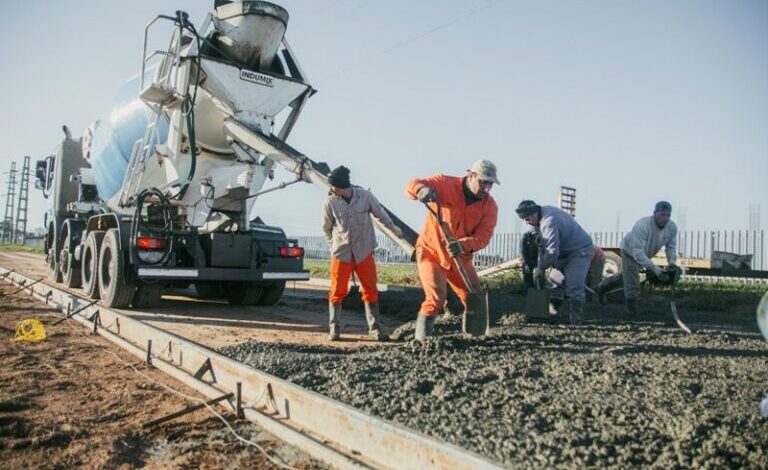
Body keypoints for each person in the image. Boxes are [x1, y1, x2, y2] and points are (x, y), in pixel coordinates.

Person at [405, 160, 499, 340]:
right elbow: (410, 185)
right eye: (483, 182)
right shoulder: (444, 184)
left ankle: (476, 338)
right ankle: (421, 343)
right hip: (431, 252)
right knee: (435, 299)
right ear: (471, 176)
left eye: (490, 184)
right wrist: (420, 190)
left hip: (460, 256)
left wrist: (462, 244)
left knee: (475, 298)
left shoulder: (489, 207)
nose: (486, 188)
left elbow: (484, 237)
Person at [322, 166, 403, 341]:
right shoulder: (331, 203)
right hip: (341, 254)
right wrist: (333, 247)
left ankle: (375, 330)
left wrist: (394, 229)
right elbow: (327, 229)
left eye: (333, 186)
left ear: (341, 185)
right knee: (337, 290)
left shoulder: (365, 197)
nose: (330, 189)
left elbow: (381, 214)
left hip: (364, 251)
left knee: (370, 289)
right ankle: (334, 330)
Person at [515, 200, 593, 325]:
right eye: (524, 219)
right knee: (553, 285)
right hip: (563, 252)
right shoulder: (542, 213)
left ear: (535, 213)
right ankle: (552, 314)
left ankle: (576, 322)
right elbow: (540, 233)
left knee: (574, 286)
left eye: (528, 218)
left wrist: (541, 268)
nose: (526, 222)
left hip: (579, 251)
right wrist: (540, 234)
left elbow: (552, 253)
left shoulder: (549, 221)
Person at [598, 201, 678, 315]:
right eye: (662, 215)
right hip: (630, 251)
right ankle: (631, 310)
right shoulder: (642, 226)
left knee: (624, 276)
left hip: (645, 254)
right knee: (632, 280)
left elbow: (671, 247)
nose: (665, 218)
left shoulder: (672, 228)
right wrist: (653, 268)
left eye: (668, 215)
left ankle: (602, 287)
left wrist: (671, 261)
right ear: (655, 213)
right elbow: (638, 253)